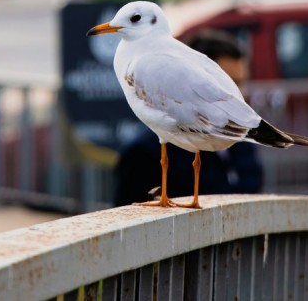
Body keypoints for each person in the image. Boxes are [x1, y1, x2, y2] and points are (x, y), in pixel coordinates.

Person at [113, 29, 264, 206]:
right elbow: (128, 215)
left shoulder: (240, 135)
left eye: (240, 83)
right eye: (227, 84)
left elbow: (249, 188)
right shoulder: (144, 151)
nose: (238, 94)